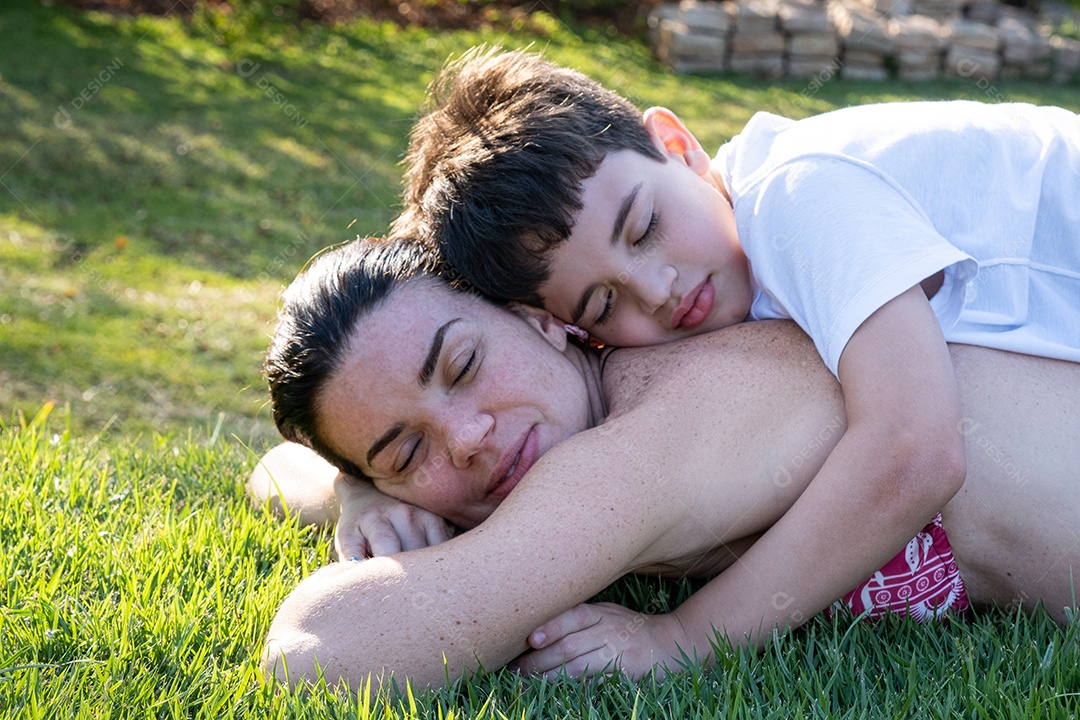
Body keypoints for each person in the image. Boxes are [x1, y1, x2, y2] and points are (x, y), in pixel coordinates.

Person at [398, 47, 1080, 650]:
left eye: (644, 227)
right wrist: (371, 492)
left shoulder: (800, 198)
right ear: (572, 329)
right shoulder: (717, 263)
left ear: (677, 145)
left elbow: (916, 452)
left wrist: (685, 635)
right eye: (604, 304)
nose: (656, 289)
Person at [258, 237, 1080, 688]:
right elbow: (273, 472)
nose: (467, 437)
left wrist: (393, 475)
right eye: (407, 449)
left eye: (465, 366)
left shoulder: (651, 433)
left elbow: (317, 655)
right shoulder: (585, 420)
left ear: (538, 318)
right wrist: (360, 492)